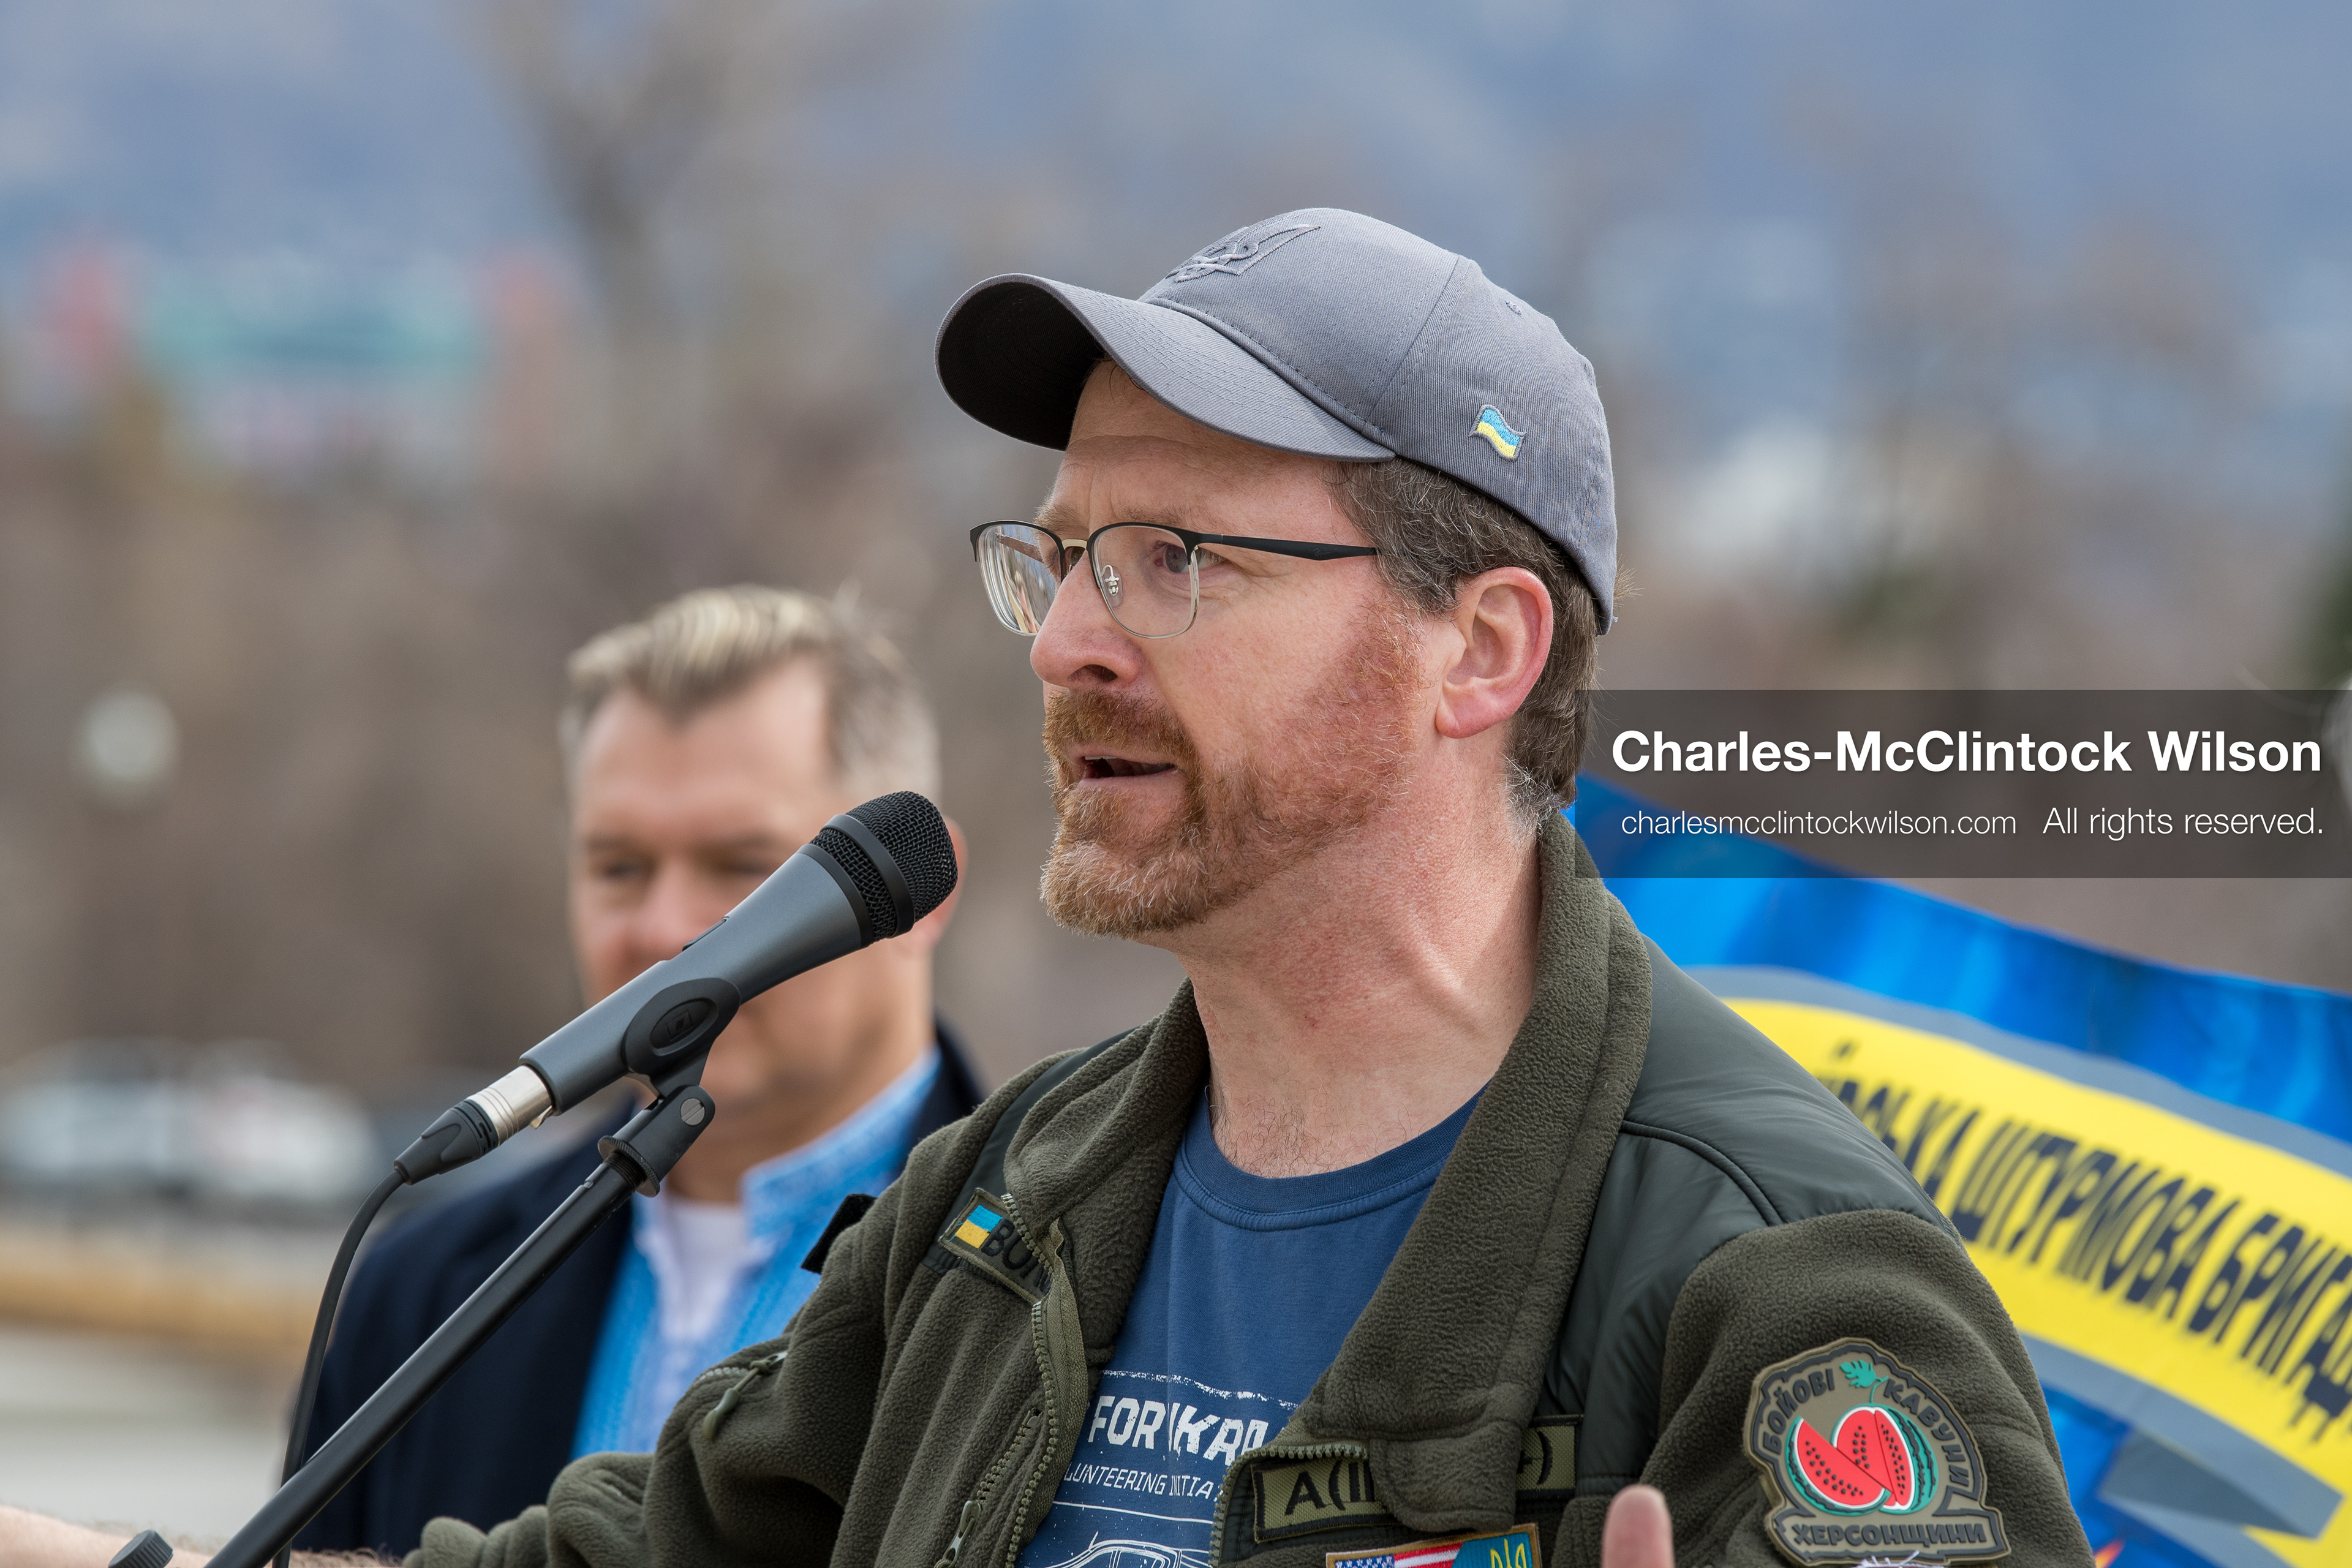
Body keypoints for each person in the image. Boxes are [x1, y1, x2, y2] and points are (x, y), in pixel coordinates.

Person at [0, 214, 2089, 1568]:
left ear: (1489, 652)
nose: (1071, 640)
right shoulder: (1006, 1204)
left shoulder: (1772, 1285)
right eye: (1062, 555)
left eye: (1183, 560)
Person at [293, 585, 985, 1555]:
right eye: (619, 867)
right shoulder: (424, 1291)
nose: (665, 930)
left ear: (917, 890)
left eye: (745, 869)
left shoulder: (1047, 1270)